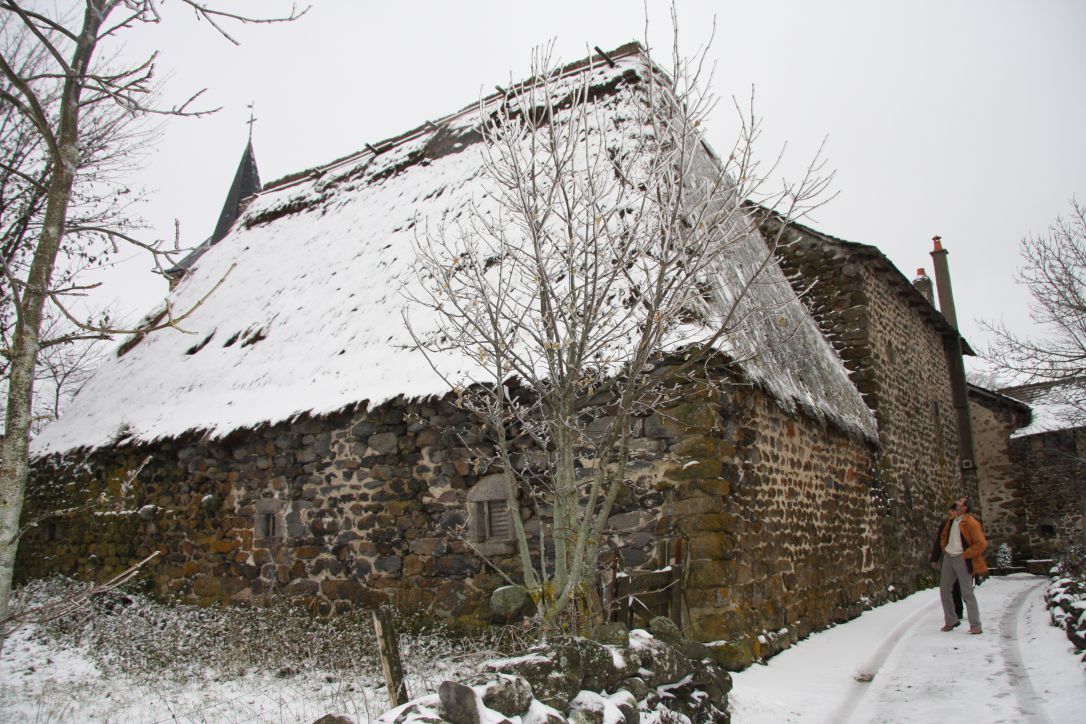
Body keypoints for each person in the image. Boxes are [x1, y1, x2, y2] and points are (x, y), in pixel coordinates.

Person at [938, 496, 988, 634]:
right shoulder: (952, 520)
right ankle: (951, 620)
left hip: (962, 558)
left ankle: (975, 625)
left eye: (960, 502)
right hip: (949, 557)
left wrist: (966, 554)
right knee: (944, 590)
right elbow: (944, 536)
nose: (957, 502)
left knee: (967, 592)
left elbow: (981, 543)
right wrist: (945, 549)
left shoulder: (971, 523)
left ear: (964, 507)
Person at [929, 503, 963, 620]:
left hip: (961, 557)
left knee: (963, 587)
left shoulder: (964, 524)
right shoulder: (944, 526)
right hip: (948, 558)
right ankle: (956, 612)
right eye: (949, 512)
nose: (950, 514)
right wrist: (934, 559)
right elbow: (939, 543)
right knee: (951, 586)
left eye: (952, 512)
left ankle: (961, 611)